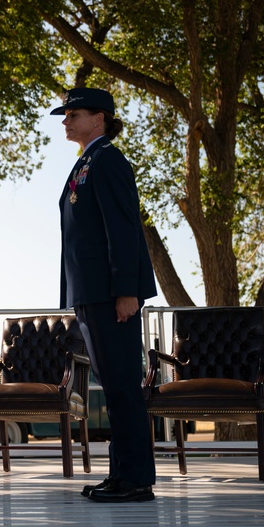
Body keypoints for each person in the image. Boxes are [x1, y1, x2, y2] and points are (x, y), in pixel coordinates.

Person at [52, 87, 158, 503]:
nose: (66, 120)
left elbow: (123, 228)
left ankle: (135, 480)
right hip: (91, 293)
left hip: (112, 295)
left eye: (73, 114)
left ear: (99, 119)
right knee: (112, 387)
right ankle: (122, 474)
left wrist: (127, 291)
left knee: (123, 387)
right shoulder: (88, 161)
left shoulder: (108, 160)